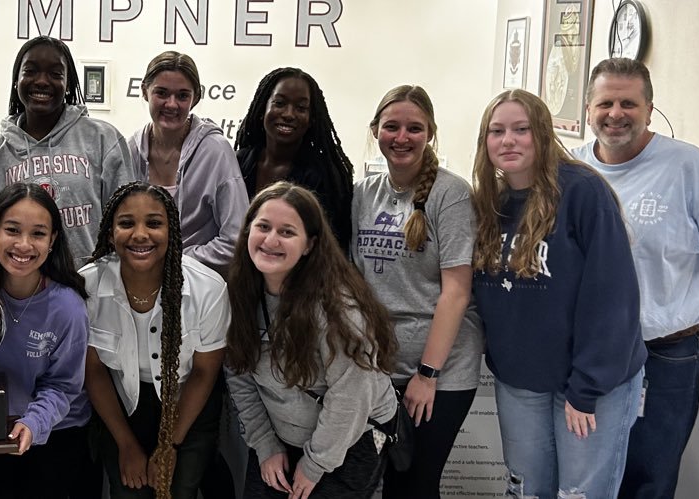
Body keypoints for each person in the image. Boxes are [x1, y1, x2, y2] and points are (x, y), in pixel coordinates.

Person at [569, 58, 699, 499]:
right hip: (589, 353)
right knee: (584, 477)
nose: (616, 114)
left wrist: (676, 302)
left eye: (629, 103)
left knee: (649, 477)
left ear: (650, 110)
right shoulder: (571, 170)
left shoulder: (689, 166)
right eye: (605, 103)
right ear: (588, 110)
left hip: (664, 353)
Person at [469, 89, 646, 498]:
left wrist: (586, 388)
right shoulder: (491, 203)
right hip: (521, 382)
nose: (508, 140)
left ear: (543, 135)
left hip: (587, 384)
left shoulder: (582, 192)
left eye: (521, 129)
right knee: (527, 490)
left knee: (578, 494)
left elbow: (611, 298)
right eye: (497, 131)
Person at [225, 182, 399, 499]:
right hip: (279, 438)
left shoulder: (338, 309)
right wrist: (265, 444)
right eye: (263, 227)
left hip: (346, 441)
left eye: (287, 232)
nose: (271, 240)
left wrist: (315, 464)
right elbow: (239, 374)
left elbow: (351, 395)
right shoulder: (240, 294)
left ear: (309, 245)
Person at [351, 85, 482, 499]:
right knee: (383, 483)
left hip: (439, 372)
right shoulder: (362, 193)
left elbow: (456, 292)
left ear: (430, 133)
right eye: (391, 127)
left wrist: (427, 375)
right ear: (375, 130)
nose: (402, 137)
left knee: (415, 486)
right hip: (380, 369)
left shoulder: (451, 194)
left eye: (414, 128)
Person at [0, 182, 94, 499]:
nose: (24, 245)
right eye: (12, 230)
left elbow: (64, 385)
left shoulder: (67, 306)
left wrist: (34, 423)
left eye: (38, 234)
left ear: (52, 240)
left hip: (55, 431)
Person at [79, 182, 230, 499]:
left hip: (188, 399)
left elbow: (204, 372)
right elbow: (93, 370)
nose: (140, 234)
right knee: (128, 489)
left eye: (154, 223)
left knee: (177, 489)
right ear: (110, 233)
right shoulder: (87, 286)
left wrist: (170, 444)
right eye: (126, 223)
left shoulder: (208, 288)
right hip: (122, 402)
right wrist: (125, 443)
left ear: (171, 231)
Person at [0, 36, 137, 264]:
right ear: (16, 80)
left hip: (91, 279)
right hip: (21, 280)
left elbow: (128, 220)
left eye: (55, 74)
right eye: (30, 71)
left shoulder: (103, 138)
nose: (41, 81)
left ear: (68, 84)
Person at [126, 51, 248, 274]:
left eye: (182, 96)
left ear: (196, 98)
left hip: (200, 283)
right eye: (162, 93)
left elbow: (236, 239)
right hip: (141, 280)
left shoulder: (216, 152)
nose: (171, 104)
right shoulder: (130, 151)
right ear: (144, 91)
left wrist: (175, 261)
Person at [234, 68, 354, 248]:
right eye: (279, 103)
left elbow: (328, 248)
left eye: (301, 108)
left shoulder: (325, 176)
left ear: (311, 118)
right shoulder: (237, 162)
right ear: (262, 109)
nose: (289, 114)